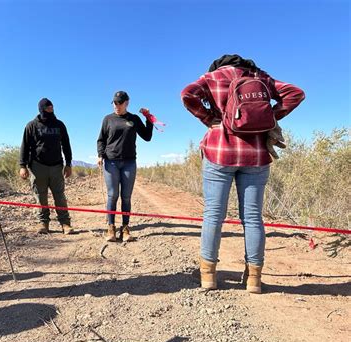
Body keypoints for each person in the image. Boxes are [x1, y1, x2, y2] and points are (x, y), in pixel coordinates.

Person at [181, 54, 305, 293]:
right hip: (256, 155)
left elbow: (187, 94)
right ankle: (254, 279)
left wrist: (209, 118)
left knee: (213, 215)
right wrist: (270, 115)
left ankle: (208, 276)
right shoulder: (260, 78)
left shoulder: (212, 77)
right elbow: (295, 93)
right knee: (252, 218)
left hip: (219, 151)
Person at [97, 91, 153, 242]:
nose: (116, 105)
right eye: (114, 102)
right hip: (111, 162)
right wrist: (100, 155)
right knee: (112, 194)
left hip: (129, 162)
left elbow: (147, 136)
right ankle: (111, 228)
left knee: (126, 196)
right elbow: (101, 140)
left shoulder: (133, 119)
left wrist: (148, 119)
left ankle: (126, 228)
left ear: (126, 103)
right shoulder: (108, 119)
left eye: (120, 103)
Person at [19, 98, 74, 235]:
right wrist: (22, 165)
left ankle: (65, 223)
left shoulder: (59, 125)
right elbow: (24, 146)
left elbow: (66, 145)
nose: (51, 110)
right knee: (40, 196)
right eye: (48, 108)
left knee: (59, 196)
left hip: (56, 166)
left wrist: (68, 164)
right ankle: (44, 223)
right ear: (42, 109)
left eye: (52, 108)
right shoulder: (31, 125)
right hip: (38, 166)